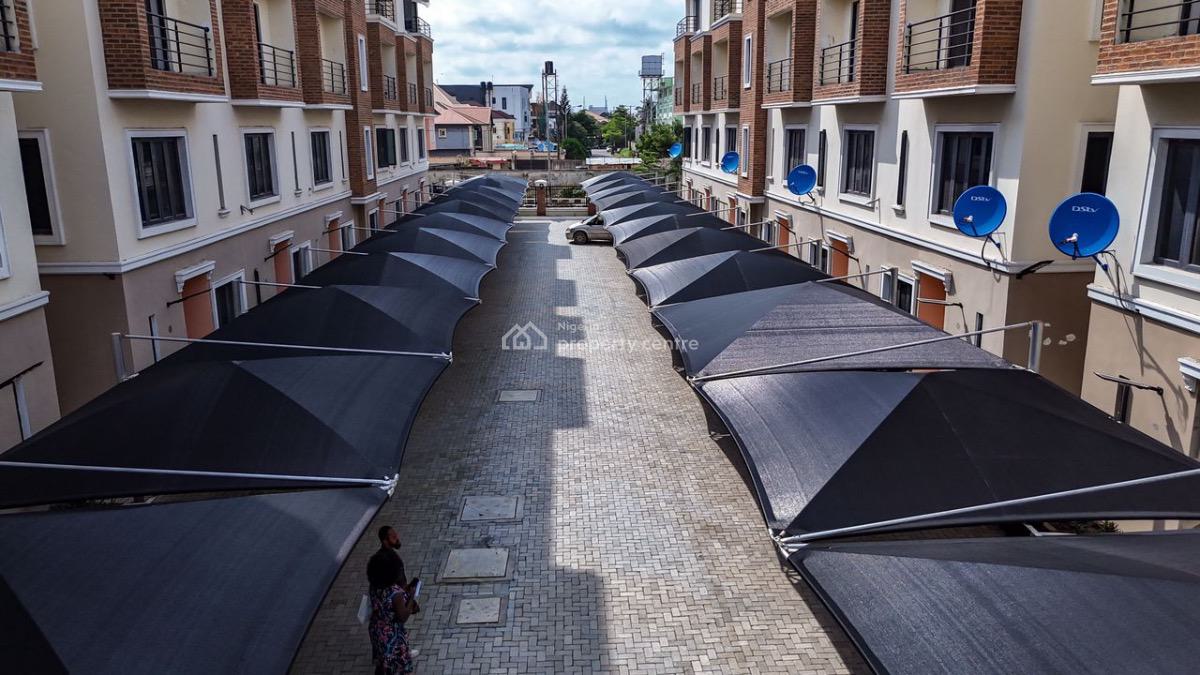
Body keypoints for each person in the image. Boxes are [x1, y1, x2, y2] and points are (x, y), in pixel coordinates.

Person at [367, 551, 417, 675]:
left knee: (382, 662)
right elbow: (402, 616)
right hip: (392, 635)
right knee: (395, 665)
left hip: (377, 629)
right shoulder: (396, 593)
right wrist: (411, 597)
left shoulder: (374, 586)